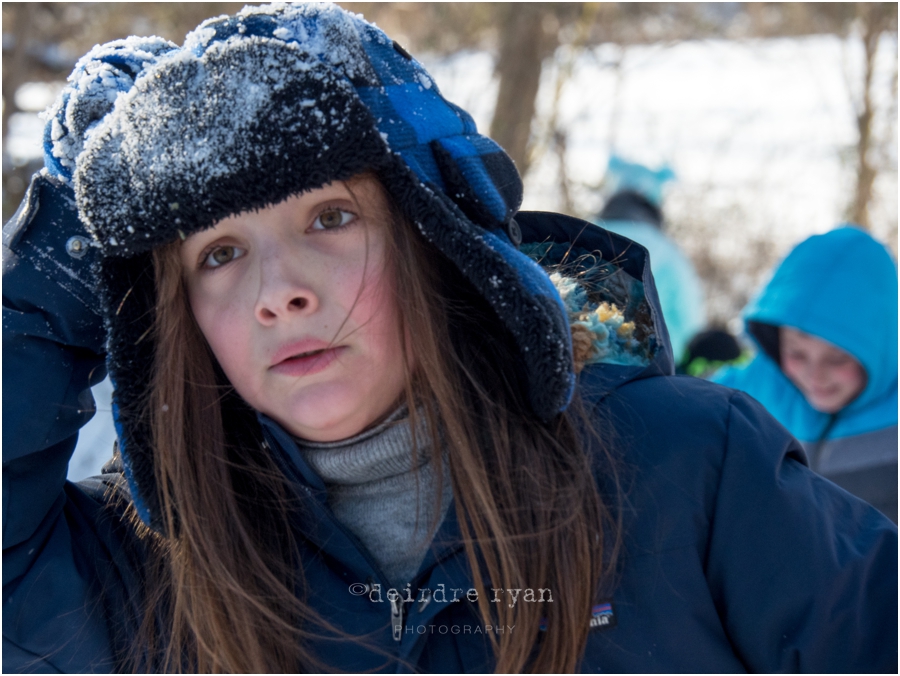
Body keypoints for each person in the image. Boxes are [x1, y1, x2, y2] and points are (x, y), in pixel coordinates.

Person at [3, 4, 896, 673]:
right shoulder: (149, 565)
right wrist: (57, 257)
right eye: (220, 253)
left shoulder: (688, 466)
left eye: (331, 217)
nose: (281, 294)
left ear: (435, 242)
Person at [713, 226, 898, 522]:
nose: (816, 374)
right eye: (797, 354)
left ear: (881, 348)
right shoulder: (746, 394)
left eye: (837, 358)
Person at [594, 155, 706, 362]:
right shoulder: (671, 255)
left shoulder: (575, 235)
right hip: (646, 370)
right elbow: (691, 324)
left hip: (574, 368)